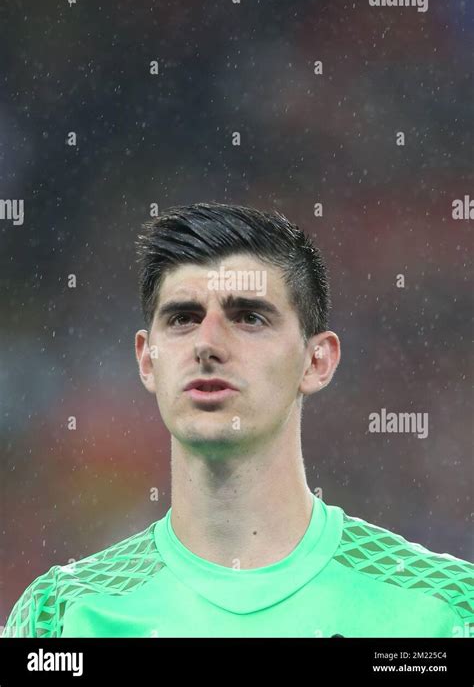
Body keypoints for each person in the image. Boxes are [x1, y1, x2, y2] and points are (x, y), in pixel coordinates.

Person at [2, 202, 473, 638]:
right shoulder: (59, 615)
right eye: (183, 318)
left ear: (316, 362)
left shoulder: (446, 609)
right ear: (148, 361)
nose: (207, 344)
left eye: (249, 317)